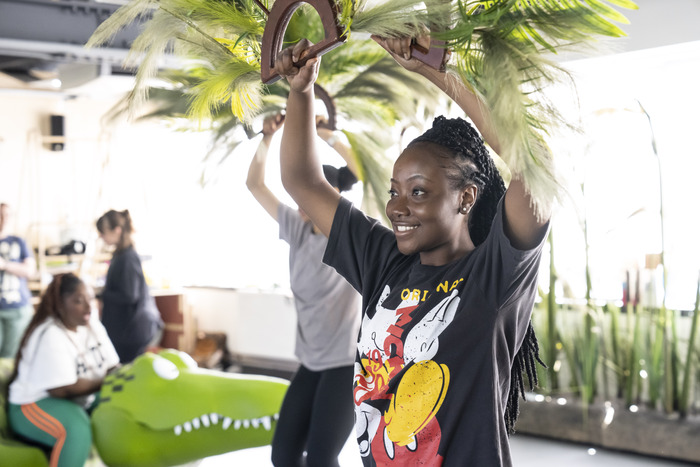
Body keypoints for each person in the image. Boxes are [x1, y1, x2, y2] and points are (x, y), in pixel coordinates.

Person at [273, 35, 551, 466]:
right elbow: (302, 181)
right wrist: (302, 89)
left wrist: (436, 71)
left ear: (465, 198)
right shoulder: (385, 262)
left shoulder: (494, 278)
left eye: (418, 192)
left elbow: (534, 165)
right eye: (394, 191)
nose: (396, 207)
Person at [246, 113, 362, 467]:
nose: (298, 201)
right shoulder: (296, 228)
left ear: (329, 197)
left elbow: (364, 173)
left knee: (321, 458)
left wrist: (328, 135)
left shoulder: (350, 235)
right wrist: (267, 138)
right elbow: (254, 185)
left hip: (346, 363)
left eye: (306, 194)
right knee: (283, 455)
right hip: (311, 361)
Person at [7, 273, 120, 467]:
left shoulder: (91, 324)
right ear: (60, 304)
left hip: (78, 397)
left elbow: (112, 365)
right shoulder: (50, 333)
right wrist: (105, 382)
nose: (88, 306)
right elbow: (61, 389)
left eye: (90, 299)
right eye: (78, 301)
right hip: (32, 403)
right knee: (76, 428)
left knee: (120, 406)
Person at [96, 210, 163, 364]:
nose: (101, 237)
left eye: (103, 232)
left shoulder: (127, 258)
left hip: (133, 330)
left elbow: (129, 295)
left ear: (117, 230)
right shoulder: (120, 255)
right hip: (127, 329)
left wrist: (102, 294)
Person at [0, 202, 36, 358]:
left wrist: (5, 265)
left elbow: (30, 271)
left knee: (11, 356)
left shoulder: (19, 242)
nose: (4, 219)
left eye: (7, 215)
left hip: (17, 308)